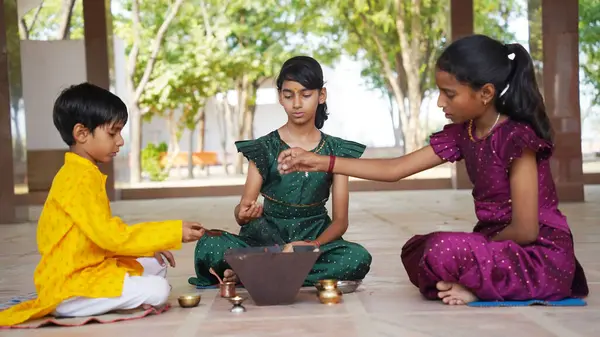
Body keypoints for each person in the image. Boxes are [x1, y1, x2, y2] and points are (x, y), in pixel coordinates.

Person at [276, 35, 589, 305]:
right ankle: (477, 281)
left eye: (449, 93)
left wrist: (476, 252)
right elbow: (395, 169)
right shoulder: (463, 133)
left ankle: (478, 289)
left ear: (486, 94)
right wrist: (318, 161)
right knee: (417, 250)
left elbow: (525, 230)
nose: (440, 102)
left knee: (442, 250)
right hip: (494, 248)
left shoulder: (517, 139)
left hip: (537, 256)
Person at [0, 83, 206, 327]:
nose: (120, 141)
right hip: (70, 283)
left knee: (155, 263)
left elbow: (99, 239)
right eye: (113, 133)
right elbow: (110, 237)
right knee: (158, 290)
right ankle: (68, 306)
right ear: (82, 133)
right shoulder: (78, 179)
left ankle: (97, 298)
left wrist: (147, 248)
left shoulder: (84, 172)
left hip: (88, 266)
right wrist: (172, 232)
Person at [189, 56, 372, 287]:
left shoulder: (336, 151)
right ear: (280, 97)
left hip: (314, 239)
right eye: (288, 95)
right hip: (264, 240)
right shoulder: (264, 148)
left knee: (357, 258)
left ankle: (255, 272)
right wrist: (244, 214)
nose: (297, 103)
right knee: (209, 245)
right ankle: (278, 270)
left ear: (321, 96)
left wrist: (313, 246)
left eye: (305, 95)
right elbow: (242, 210)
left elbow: (340, 222)